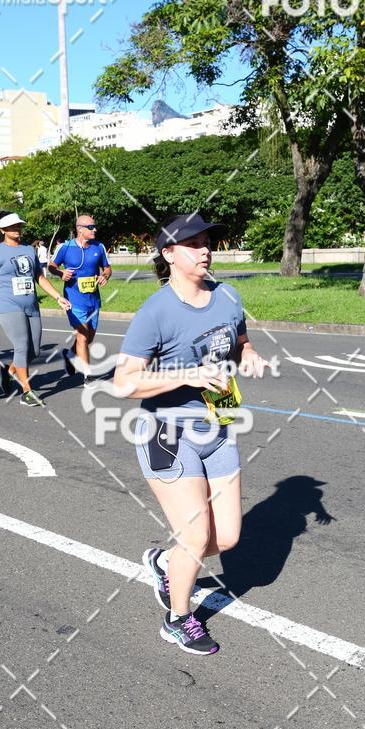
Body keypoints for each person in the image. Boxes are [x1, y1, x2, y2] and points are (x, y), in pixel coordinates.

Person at [114, 213, 268, 656]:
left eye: (207, 241)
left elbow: (238, 340)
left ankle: (164, 562)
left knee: (230, 538)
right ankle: (179, 619)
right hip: (166, 433)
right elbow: (123, 383)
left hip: (217, 427)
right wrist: (190, 375)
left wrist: (251, 353)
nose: (205, 250)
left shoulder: (228, 295)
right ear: (168, 254)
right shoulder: (156, 312)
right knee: (196, 536)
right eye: (193, 243)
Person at [0, 210, 71, 407]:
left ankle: (9, 372)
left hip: (31, 305)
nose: (18, 229)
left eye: (19, 225)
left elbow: (39, 277)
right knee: (22, 345)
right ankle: (27, 391)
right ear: (3, 229)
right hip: (9, 306)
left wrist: (58, 297)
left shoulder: (29, 250)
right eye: (14, 226)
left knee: (34, 350)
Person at [48, 214, 112, 386]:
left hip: (93, 299)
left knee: (89, 338)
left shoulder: (99, 246)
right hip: (74, 299)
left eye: (94, 226)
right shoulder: (65, 248)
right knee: (83, 337)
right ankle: (88, 376)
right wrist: (60, 273)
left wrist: (105, 275)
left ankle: (70, 354)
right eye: (91, 227)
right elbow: (51, 266)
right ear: (80, 229)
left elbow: (107, 267)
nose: (95, 230)